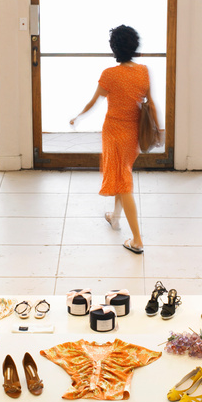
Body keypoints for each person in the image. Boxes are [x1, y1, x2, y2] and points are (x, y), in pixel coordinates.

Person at [71, 25, 157, 255]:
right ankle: (115, 217)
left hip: (114, 133)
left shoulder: (110, 74)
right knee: (122, 173)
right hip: (134, 136)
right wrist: (158, 130)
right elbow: (151, 104)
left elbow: (93, 102)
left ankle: (137, 239)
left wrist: (78, 116)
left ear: (115, 48)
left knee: (123, 181)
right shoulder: (144, 72)